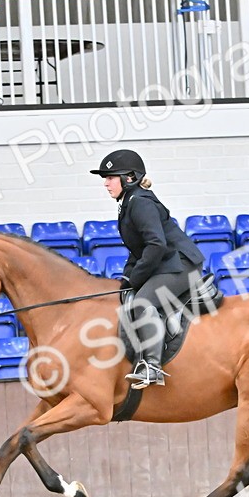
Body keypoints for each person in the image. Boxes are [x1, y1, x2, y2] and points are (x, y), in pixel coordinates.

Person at [90, 149, 205, 389]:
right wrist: (126, 278)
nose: (105, 183)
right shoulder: (129, 202)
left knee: (142, 302)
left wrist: (136, 278)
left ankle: (152, 367)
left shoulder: (140, 203)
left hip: (181, 264)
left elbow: (156, 244)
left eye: (110, 177)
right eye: (105, 178)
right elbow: (138, 249)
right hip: (167, 262)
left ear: (129, 178)